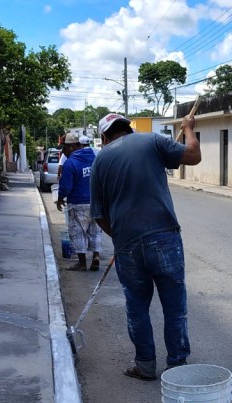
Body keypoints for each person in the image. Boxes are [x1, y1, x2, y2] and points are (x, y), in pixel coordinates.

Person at [90, 113, 202, 381]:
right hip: (165, 238)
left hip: (127, 244)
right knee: (174, 304)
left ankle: (145, 364)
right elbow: (193, 156)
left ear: (104, 137)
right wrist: (188, 128)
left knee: (137, 305)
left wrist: (119, 238)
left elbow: (99, 214)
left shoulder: (101, 160)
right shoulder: (152, 140)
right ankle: (177, 365)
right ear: (128, 128)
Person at [56, 133, 102, 271]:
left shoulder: (70, 163)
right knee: (95, 231)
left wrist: (59, 199)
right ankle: (96, 257)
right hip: (96, 202)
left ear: (72, 146)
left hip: (77, 203)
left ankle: (82, 264)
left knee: (78, 232)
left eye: (64, 148)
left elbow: (65, 186)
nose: (63, 151)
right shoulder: (95, 159)